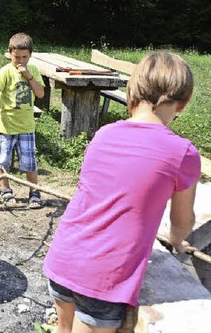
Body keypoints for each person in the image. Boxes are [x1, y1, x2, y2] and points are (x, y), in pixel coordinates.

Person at [43, 52, 200, 332]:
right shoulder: (182, 153)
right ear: (183, 104)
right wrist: (176, 241)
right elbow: (182, 222)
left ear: (132, 91)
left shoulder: (104, 133)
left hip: (65, 256)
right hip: (104, 276)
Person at [0, 32, 45, 208]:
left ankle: (34, 192)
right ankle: (6, 190)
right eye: (17, 57)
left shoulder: (34, 71)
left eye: (24, 57)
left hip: (26, 126)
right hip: (6, 125)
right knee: (4, 160)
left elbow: (40, 93)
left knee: (29, 161)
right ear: (10, 54)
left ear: (30, 55)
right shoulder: (5, 71)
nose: (21, 61)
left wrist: (28, 76)